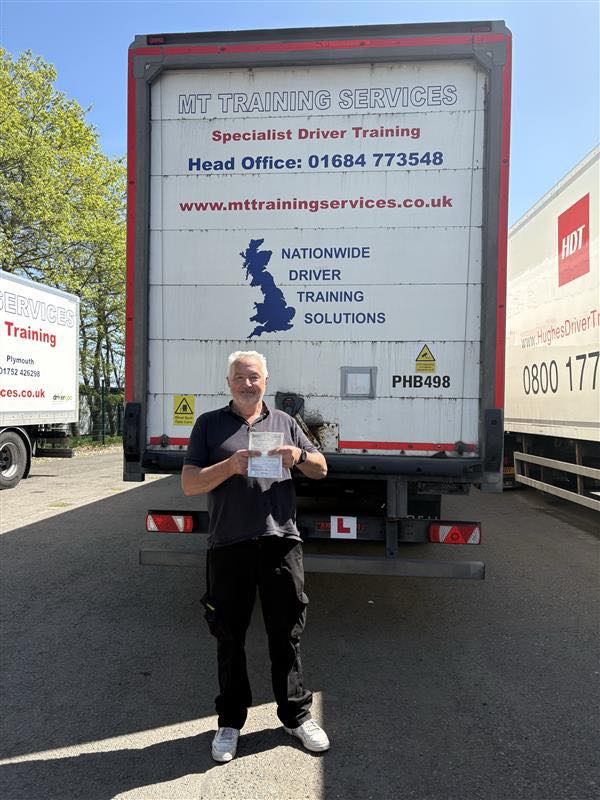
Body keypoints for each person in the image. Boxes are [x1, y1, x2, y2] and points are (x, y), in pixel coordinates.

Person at [182, 350, 330, 762]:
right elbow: (190, 484)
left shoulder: (285, 423)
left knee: (287, 634)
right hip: (229, 545)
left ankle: (295, 716)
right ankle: (230, 722)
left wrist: (298, 457)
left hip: (281, 542)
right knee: (229, 637)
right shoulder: (209, 425)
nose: (249, 384)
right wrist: (230, 466)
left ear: (266, 380)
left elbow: (321, 467)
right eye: (241, 377)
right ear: (228, 382)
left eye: (255, 377)